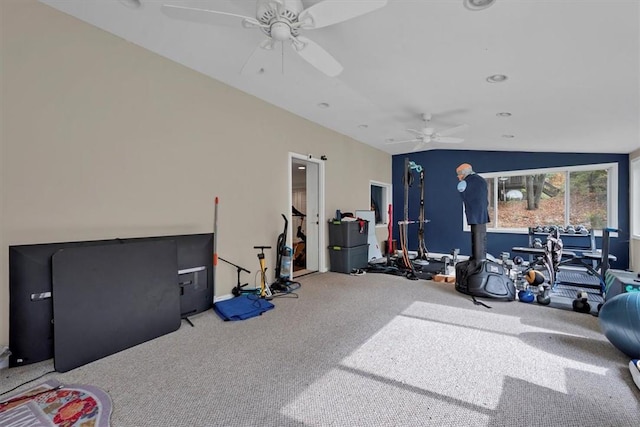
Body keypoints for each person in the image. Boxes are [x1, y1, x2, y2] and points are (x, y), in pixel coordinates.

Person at [456, 163, 489, 261]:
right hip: (482, 213)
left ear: (463, 173)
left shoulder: (464, 183)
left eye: (458, 174)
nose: (458, 177)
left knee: (477, 236)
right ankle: (479, 258)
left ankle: (477, 260)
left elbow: (463, 194)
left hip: (473, 214)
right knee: (481, 237)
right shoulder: (482, 180)